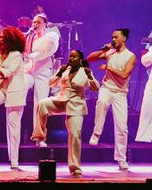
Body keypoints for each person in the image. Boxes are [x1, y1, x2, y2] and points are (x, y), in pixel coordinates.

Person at [31, 49, 100, 177]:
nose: (71, 58)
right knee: (42, 104)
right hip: (61, 100)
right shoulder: (64, 70)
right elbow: (50, 84)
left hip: (76, 105)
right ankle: (39, 136)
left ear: (80, 59)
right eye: (70, 56)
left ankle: (75, 167)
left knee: (75, 135)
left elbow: (96, 88)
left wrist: (90, 76)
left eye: (74, 56)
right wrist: (59, 73)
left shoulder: (85, 72)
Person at [87, 29, 137, 170]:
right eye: (112, 37)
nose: (113, 39)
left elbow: (124, 74)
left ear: (124, 38)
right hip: (107, 88)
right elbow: (90, 58)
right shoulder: (110, 52)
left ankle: (121, 159)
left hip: (120, 93)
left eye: (116, 37)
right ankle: (96, 134)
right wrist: (103, 49)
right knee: (101, 102)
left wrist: (108, 67)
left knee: (122, 127)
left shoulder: (130, 56)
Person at [0, 26, 29, 170]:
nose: (0, 40)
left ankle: (14, 160)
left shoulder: (16, 55)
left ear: (10, 40)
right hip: (0, 89)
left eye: (3, 38)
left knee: (13, 127)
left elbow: (7, 72)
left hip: (14, 91)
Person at [24, 14, 61, 134]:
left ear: (45, 24)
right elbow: (26, 53)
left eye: (38, 22)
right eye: (34, 22)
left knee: (40, 103)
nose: (35, 25)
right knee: (21, 89)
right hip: (30, 71)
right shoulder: (31, 37)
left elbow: (44, 53)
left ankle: (39, 135)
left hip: (43, 72)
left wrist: (30, 56)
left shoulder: (50, 37)